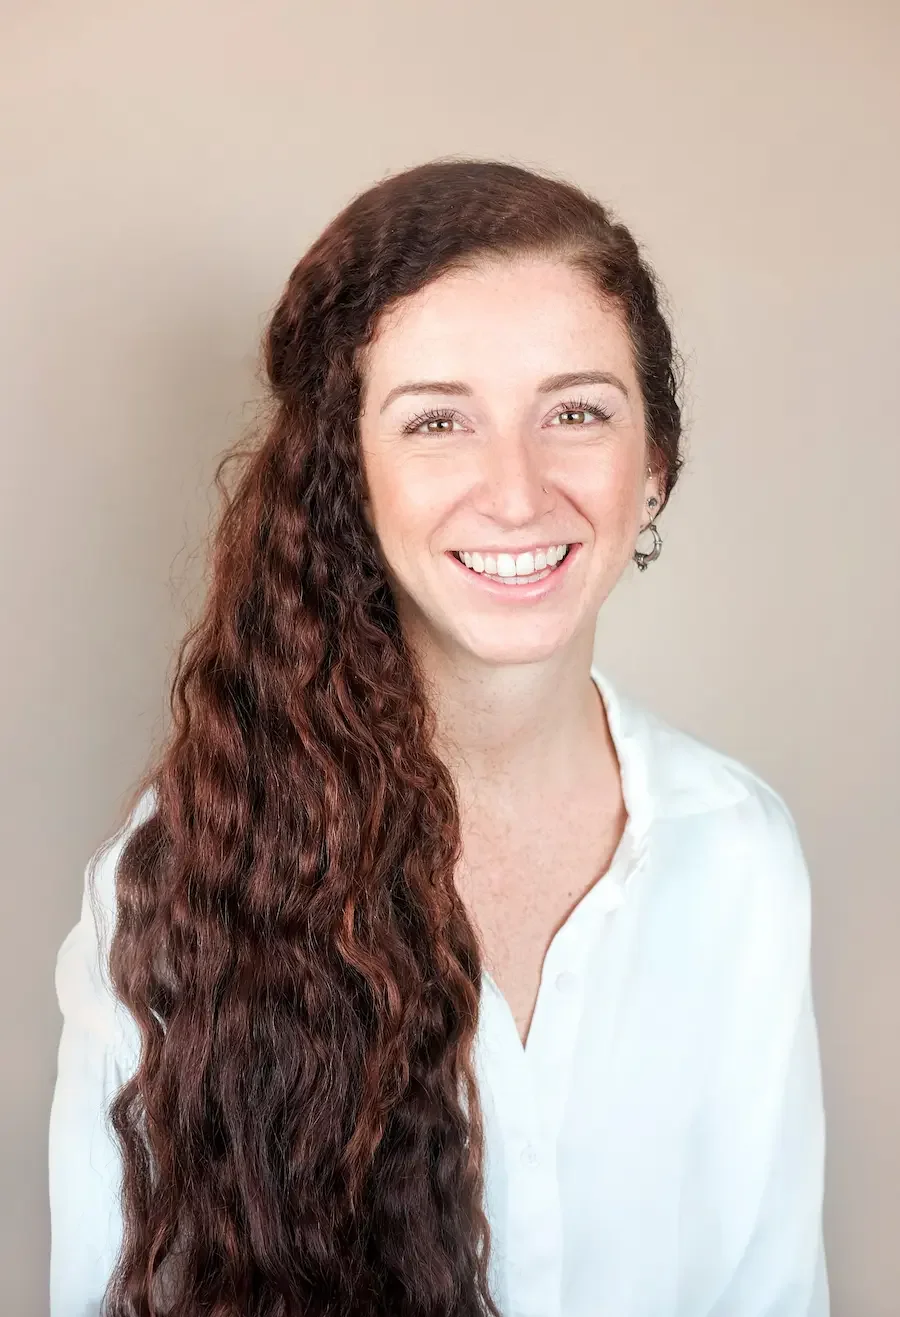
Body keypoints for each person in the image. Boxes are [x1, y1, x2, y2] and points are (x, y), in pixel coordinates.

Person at [48, 157, 828, 1317]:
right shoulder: (170, 885)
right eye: (438, 421)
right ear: (349, 482)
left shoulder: (742, 855)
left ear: (653, 467)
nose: (516, 492)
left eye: (575, 411)